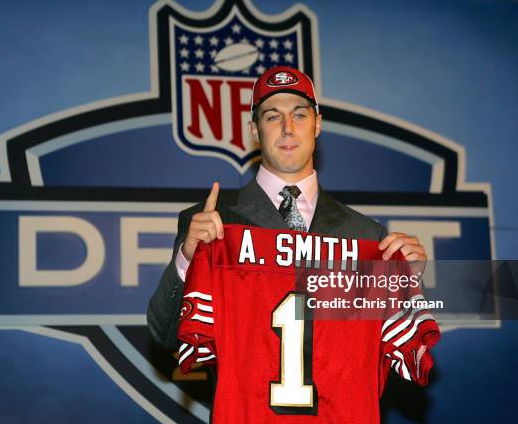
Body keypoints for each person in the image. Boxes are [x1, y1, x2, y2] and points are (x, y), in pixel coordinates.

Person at [147, 65, 426, 349]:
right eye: (273, 116)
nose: (288, 128)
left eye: (299, 114)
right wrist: (187, 262)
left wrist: (405, 284)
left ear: (317, 124)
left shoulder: (367, 235)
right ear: (254, 130)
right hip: (243, 395)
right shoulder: (210, 223)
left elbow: (391, 350)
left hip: (334, 395)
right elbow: (165, 337)